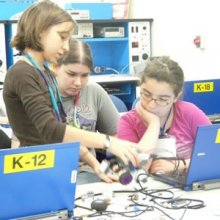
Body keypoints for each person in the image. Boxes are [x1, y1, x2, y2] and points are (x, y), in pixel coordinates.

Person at [3, 1, 139, 171]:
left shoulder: (44, 73)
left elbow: (62, 133)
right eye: (62, 37)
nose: (66, 47)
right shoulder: (22, 73)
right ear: (40, 33)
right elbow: (51, 129)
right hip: (35, 171)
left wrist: (95, 165)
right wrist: (107, 142)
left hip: (52, 167)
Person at [117, 56, 211, 174]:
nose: (151, 105)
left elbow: (215, 153)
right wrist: (153, 124)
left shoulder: (189, 112)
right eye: (146, 94)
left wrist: (179, 165)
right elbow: (136, 167)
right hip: (147, 187)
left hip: (189, 184)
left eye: (162, 99)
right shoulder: (128, 122)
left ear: (176, 97)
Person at [55, 38, 120, 184]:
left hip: (89, 174)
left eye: (84, 75)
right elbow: (19, 146)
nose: (78, 82)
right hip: (51, 174)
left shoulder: (94, 91)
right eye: (71, 74)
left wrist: (118, 166)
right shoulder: (39, 94)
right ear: (55, 67)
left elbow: (116, 136)